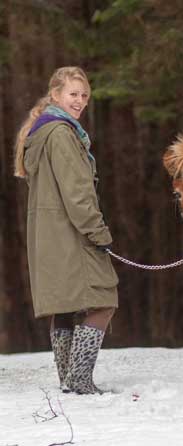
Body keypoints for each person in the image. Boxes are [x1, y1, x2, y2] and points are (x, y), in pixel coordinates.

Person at [13, 66, 118, 394]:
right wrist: (98, 232)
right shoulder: (60, 134)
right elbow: (77, 192)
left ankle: (67, 380)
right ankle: (79, 379)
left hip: (49, 234)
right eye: (73, 94)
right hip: (71, 232)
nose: (80, 101)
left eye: (84, 95)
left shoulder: (42, 131)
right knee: (103, 299)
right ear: (55, 95)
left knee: (65, 304)